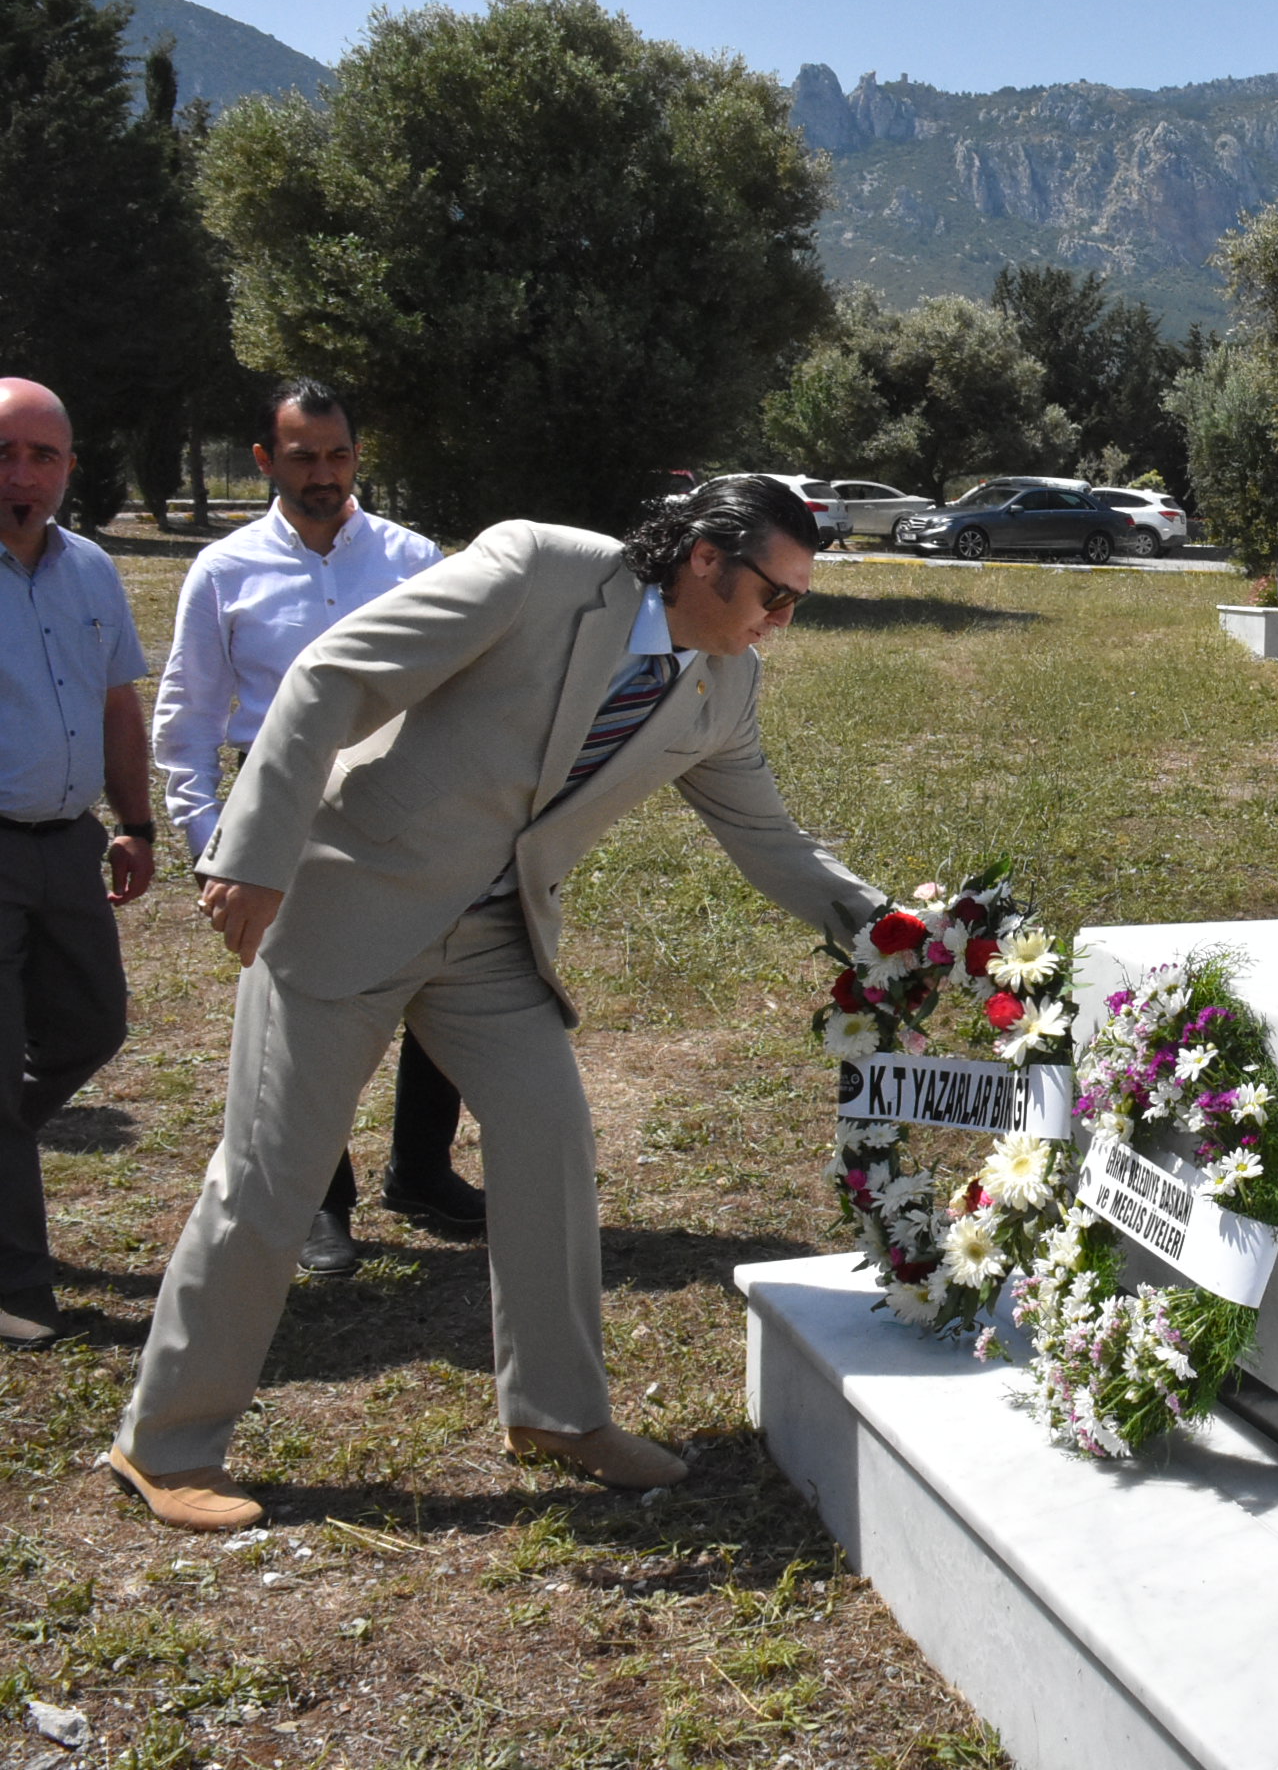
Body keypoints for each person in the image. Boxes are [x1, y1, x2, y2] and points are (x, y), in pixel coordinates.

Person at [107, 476, 883, 1532]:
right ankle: (165, 1442)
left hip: (490, 938)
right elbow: (332, 674)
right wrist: (253, 852)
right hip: (349, 897)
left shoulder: (724, 686)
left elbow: (769, 840)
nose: (780, 621)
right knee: (271, 1176)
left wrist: (900, 935)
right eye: (774, 594)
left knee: (549, 1140)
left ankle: (559, 1414)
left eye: (797, 601)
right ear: (705, 557)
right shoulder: (537, 570)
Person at [151, 379, 474, 1279]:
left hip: (403, 799)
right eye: (302, 458)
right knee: (300, 1008)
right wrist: (211, 840)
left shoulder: (415, 559)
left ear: (358, 455)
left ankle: (421, 1170)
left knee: (434, 981)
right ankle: (321, 1201)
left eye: (338, 456)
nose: (324, 475)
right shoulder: (225, 571)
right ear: (266, 459)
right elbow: (190, 712)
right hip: (280, 808)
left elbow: (460, 689)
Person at [0, 379, 156, 1350]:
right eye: (3, 453)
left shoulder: (90, 568)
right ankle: (18, 1294)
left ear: (68, 467)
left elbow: (115, 706)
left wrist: (136, 823)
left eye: (42, 455)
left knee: (94, 1024)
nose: (21, 474)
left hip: (70, 843)